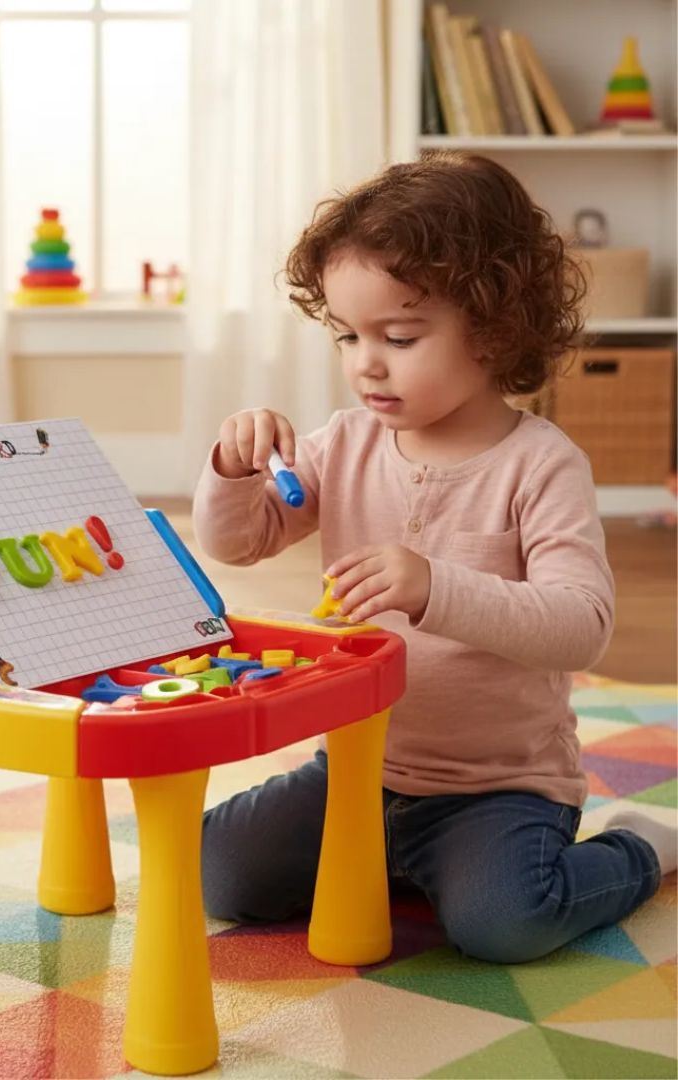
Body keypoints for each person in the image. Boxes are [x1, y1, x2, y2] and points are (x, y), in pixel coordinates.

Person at [192, 151, 676, 964]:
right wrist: (233, 468)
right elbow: (240, 541)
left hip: (500, 789)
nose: (365, 362)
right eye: (348, 334)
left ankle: (637, 849)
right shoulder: (343, 443)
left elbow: (581, 627)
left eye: (400, 336)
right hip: (356, 771)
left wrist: (434, 587)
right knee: (221, 873)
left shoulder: (541, 463)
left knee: (505, 924)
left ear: (493, 330)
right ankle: (409, 864)